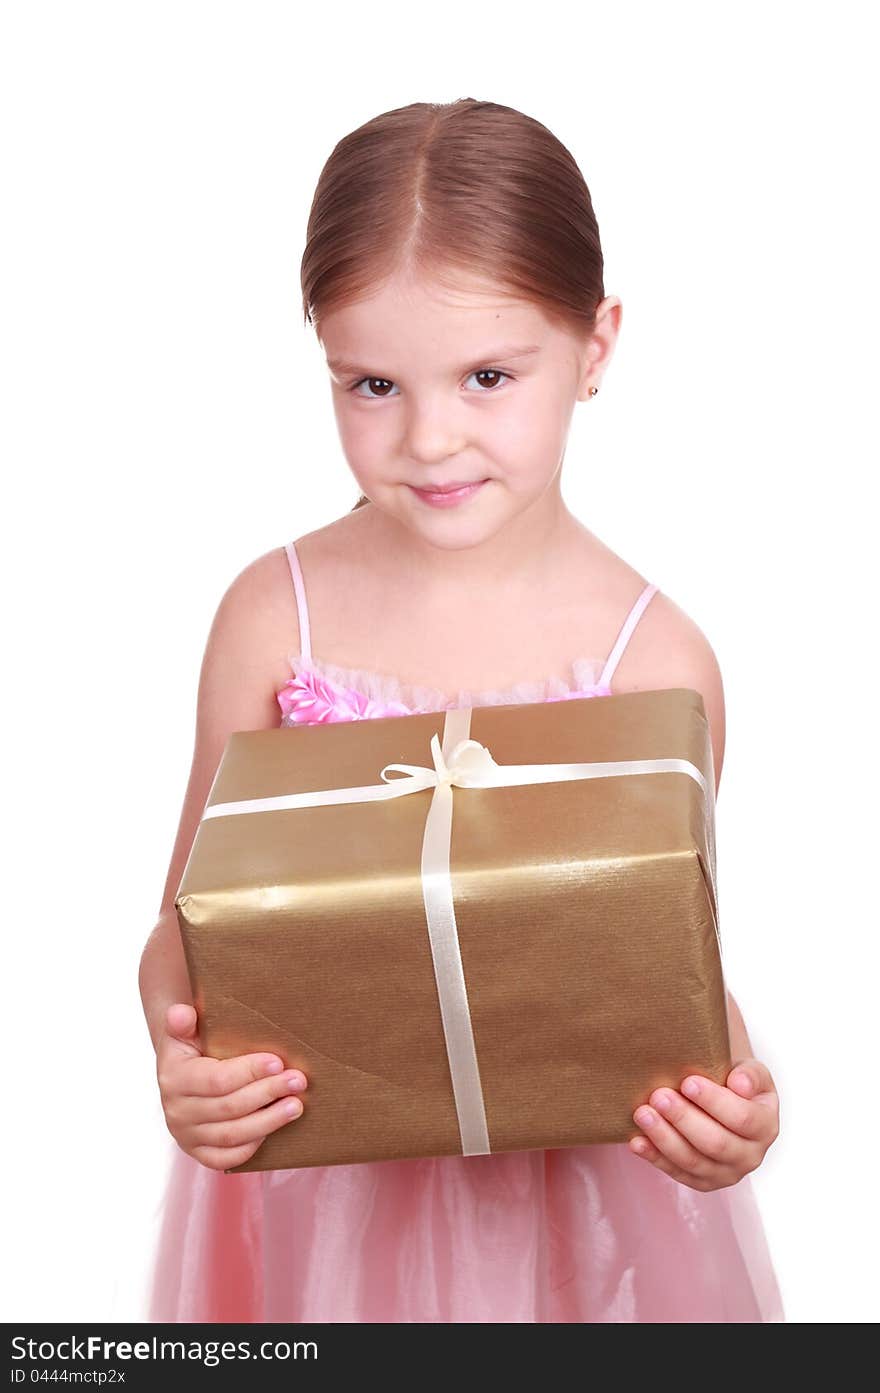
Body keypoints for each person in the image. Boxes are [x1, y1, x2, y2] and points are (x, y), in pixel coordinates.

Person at [140, 97, 784, 1323]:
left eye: (488, 375)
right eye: (372, 382)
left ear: (595, 345)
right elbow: (184, 928)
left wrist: (732, 1102)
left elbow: (664, 961)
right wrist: (182, 1061)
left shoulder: (654, 659)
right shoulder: (276, 620)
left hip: (570, 1217)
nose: (430, 438)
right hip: (317, 1204)